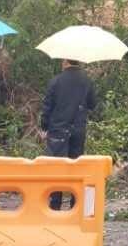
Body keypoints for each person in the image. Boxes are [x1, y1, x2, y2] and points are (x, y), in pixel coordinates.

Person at [42, 59, 98, 209]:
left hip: (58, 130)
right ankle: (75, 205)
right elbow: (93, 104)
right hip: (78, 130)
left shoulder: (56, 81)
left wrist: (44, 127)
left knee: (56, 168)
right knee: (76, 168)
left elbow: (47, 106)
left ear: (65, 61)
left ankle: (55, 205)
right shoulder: (86, 81)